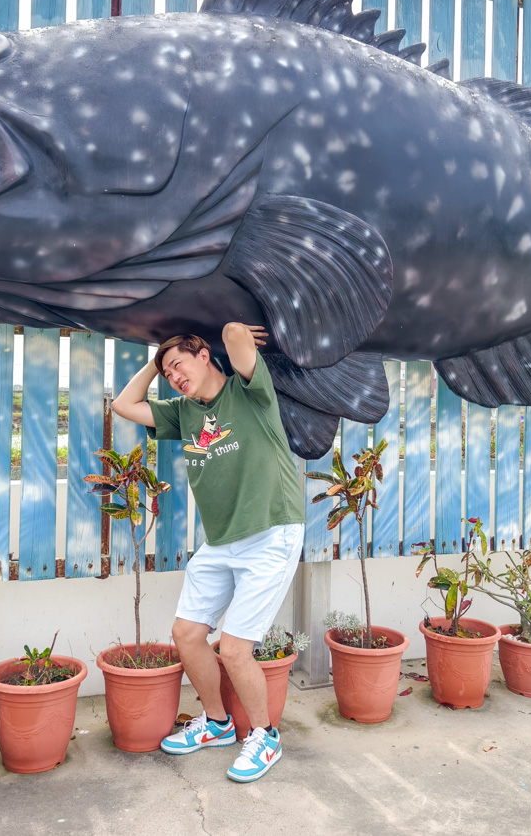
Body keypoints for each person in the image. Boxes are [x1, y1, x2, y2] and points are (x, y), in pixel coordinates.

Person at [109, 322, 305, 783]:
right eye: (168, 372)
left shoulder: (249, 392)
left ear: (203, 355)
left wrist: (221, 333)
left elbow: (236, 334)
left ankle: (265, 736)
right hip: (220, 542)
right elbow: (123, 405)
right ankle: (217, 724)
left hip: (270, 531)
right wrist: (156, 363)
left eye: (180, 364)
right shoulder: (182, 413)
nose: (174, 376)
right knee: (187, 634)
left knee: (236, 648)